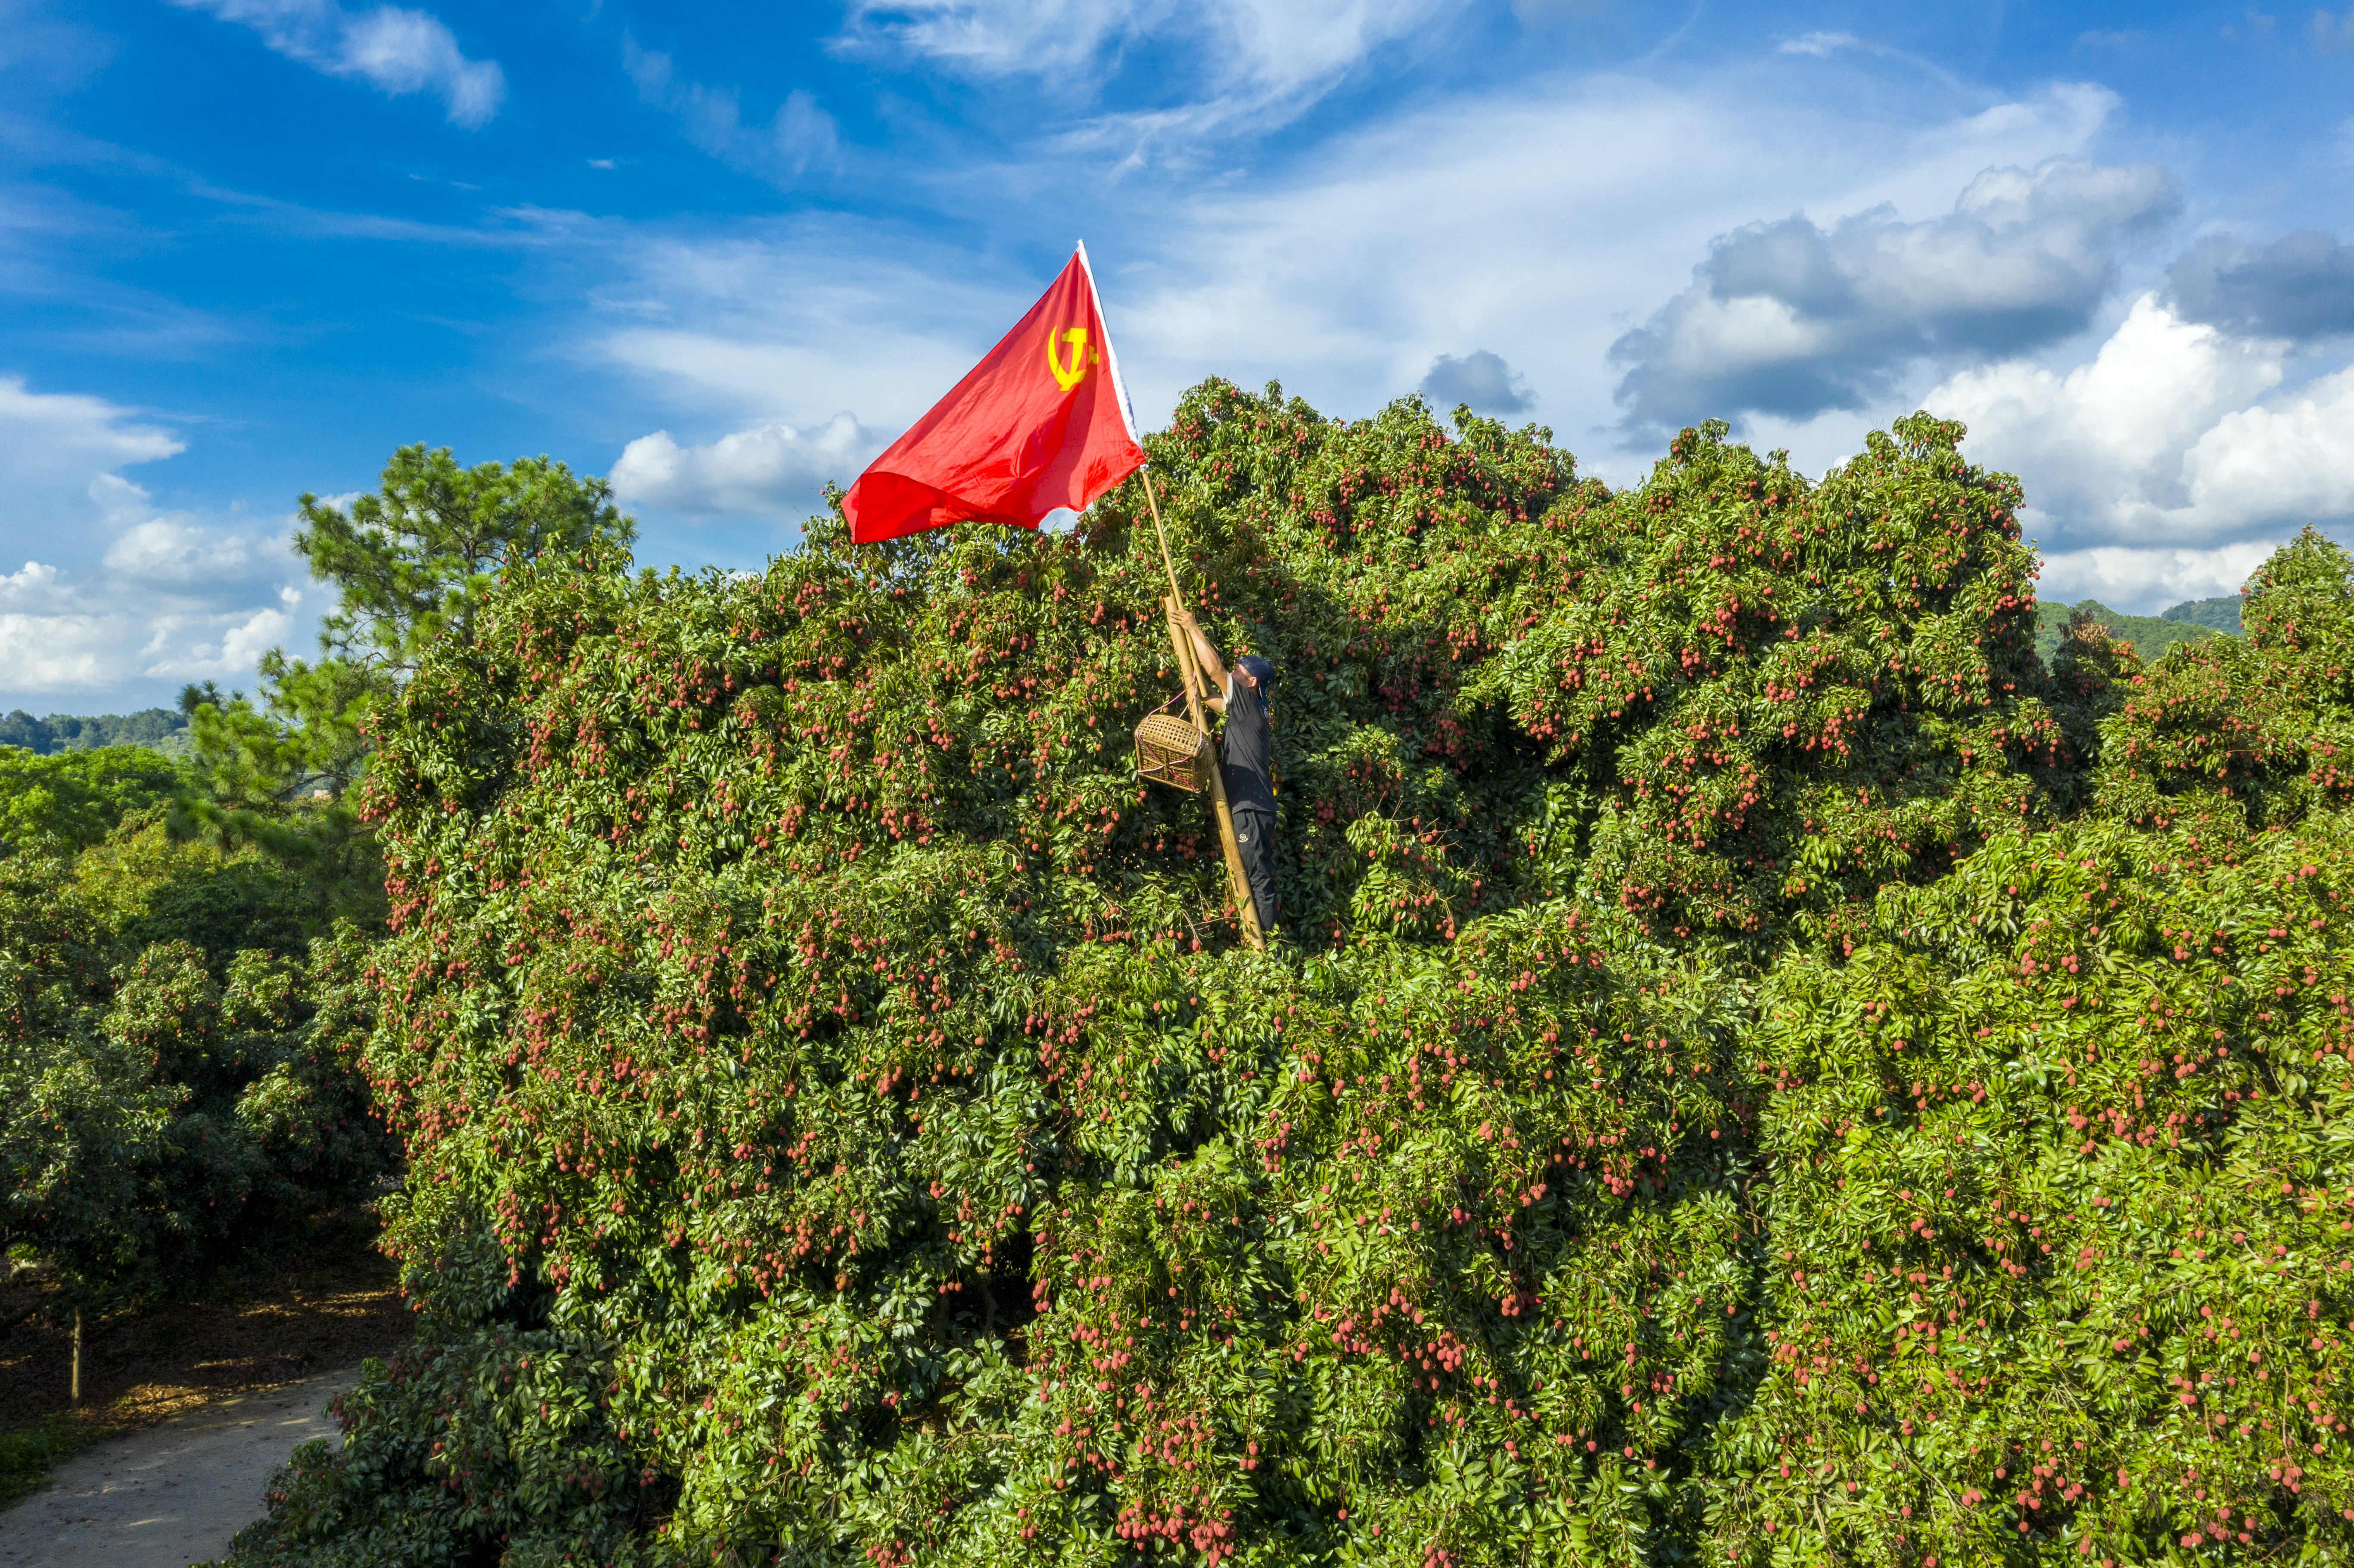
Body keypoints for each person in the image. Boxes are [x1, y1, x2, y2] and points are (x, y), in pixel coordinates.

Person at [1172, 606, 1278, 936]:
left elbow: (1215, 669)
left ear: (1252, 680)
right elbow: (1208, 695)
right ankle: (1262, 934)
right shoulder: (1246, 707)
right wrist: (1194, 684)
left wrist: (1193, 628)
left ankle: (1268, 940)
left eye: (1238, 670)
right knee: (1251, 868)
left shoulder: (1250, 702)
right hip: (1251, 806)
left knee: (1255, 870)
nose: (1232, 673)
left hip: (1251, 806)